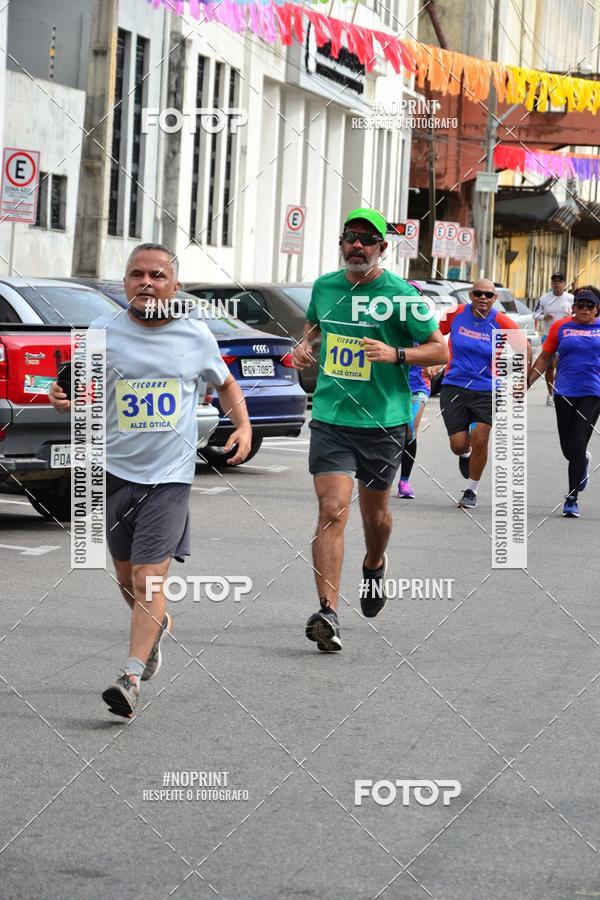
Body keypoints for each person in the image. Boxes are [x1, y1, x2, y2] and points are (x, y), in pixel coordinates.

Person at [49, 243, 252, 717]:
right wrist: (66, 400)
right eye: (137, 274)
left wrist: (241, 424)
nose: (146, 282)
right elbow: (81, 391)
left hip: (170, 476)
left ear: (174, 285)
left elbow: (223, 382)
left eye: (158, 275)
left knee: (148, 578)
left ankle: (130, 677)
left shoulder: (194, 335)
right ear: (125, 284)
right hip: (114, 470)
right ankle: (155, 629)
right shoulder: (101, 333)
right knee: (126, 576)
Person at [292, 207, 448, 652]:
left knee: (374, 516)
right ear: (342, 244)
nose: (356, 245)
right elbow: (315, 331)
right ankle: (327, 611)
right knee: (332, 509)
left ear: (382, 248)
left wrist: (396, 354)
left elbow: (439, 351)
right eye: (350, 237)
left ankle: (375, 562)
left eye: (366, 239)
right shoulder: (325, 287)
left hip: (382, 422)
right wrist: (305, 347)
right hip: (331, 418)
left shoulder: (402, 295)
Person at [439, 279, 530, 510]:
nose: (483, 298)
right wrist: (430, 362)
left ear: (494, 299)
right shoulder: (456, 313)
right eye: (478, 293)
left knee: (481, 437)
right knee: (458, 444)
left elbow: (524, 346)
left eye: (488, 295)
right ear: (470, 295)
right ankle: (465, 453)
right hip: (454, 384)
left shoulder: (500, 321)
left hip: (487, 388)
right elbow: (433, 334)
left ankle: (471, 490)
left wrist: (520, 379)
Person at [528, 286, 600, 518]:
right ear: (573, 308)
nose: (585, 309)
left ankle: (571, 498)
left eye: (590, 306)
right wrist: (527, 383)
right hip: (564, 392)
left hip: (592, 393)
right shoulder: (561, 327)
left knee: (578, 443)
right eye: (581, 305)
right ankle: (582, 463)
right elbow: (545, 357)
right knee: (568, 449)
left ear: (597, 309)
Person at [533, 273, 573, 406]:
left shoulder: (571, 298)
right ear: (551, 284)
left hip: (566, 336)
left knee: (562, 365)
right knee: (550, 366)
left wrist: (570, 317)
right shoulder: (544, 298)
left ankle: (559, 392)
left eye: (560, 281)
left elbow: (576, 314)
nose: (557, 284)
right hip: (548, 335)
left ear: (564, 283)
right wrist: (544, 317)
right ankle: (550, 394)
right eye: (554, 281)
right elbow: (535, 313)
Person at [397, 364, 434, 499]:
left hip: (418, 386)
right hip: (392, 386)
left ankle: (404, 481)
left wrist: (433, 365)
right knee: (388, 431)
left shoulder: (422, 341)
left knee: (410, 430)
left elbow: (441, 352)